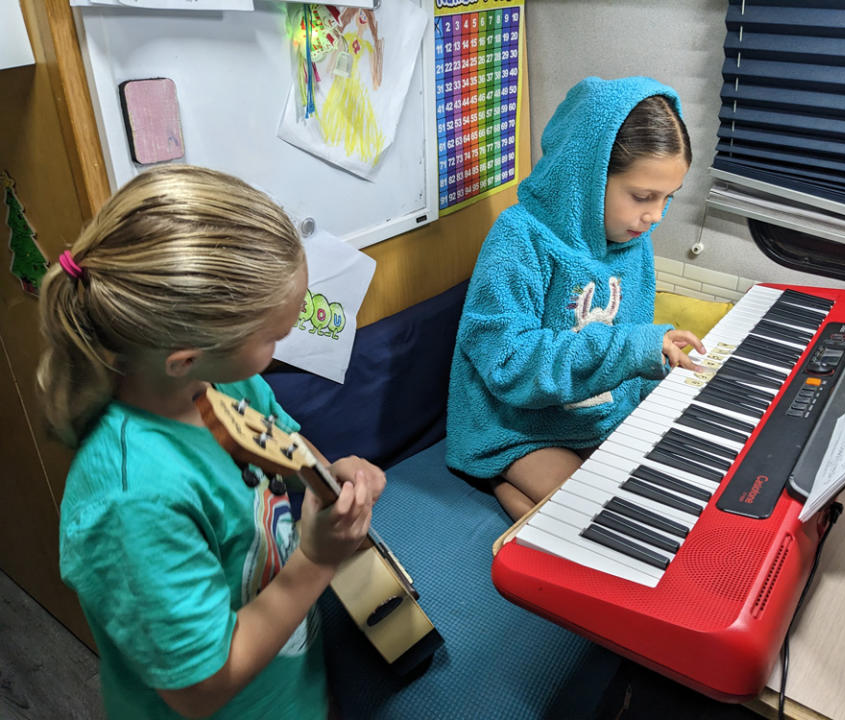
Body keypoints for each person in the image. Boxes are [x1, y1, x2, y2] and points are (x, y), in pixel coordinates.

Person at [38, 165, 385, 719]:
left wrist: (333, 475)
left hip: (290, 689)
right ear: (183, 359)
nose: (287, 339)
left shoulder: (223, 382)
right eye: (274, 336)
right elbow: (199, 688)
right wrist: (318, 561)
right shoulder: (131, 503)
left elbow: (286, 445)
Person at [446, 76, 705, 521]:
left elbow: (626, 345)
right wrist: (631, 349)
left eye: (668, 199)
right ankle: (499, 476)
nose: (655, 216)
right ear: (586, 175)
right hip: (520, 424)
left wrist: (659, 371)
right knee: (592, 517)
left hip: (594, 416)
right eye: (643, 196)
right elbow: (508, 363)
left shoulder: (633, 241)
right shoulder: (519, 237)